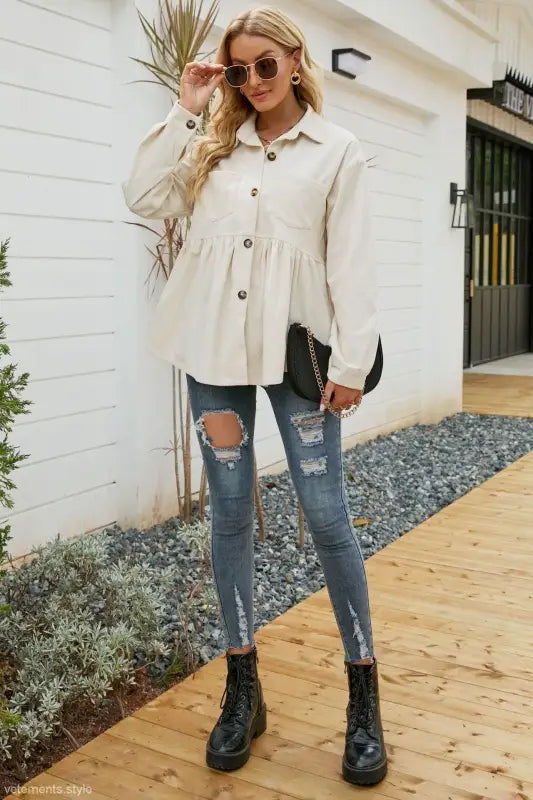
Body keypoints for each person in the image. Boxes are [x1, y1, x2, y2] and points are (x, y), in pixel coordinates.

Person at [122, 4, 386, 787]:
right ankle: (243, 687)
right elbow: (143, 197)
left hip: (302, 358)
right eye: (239, 69)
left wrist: (351, 362)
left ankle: (362, 695)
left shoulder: (338, 152)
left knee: (327, 513)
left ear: (296, 61)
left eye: (264, 65)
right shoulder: (211, 147)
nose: (252, 81)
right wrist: (186, 103)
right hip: (212, 355)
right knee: (230, 513)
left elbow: (354, 265)